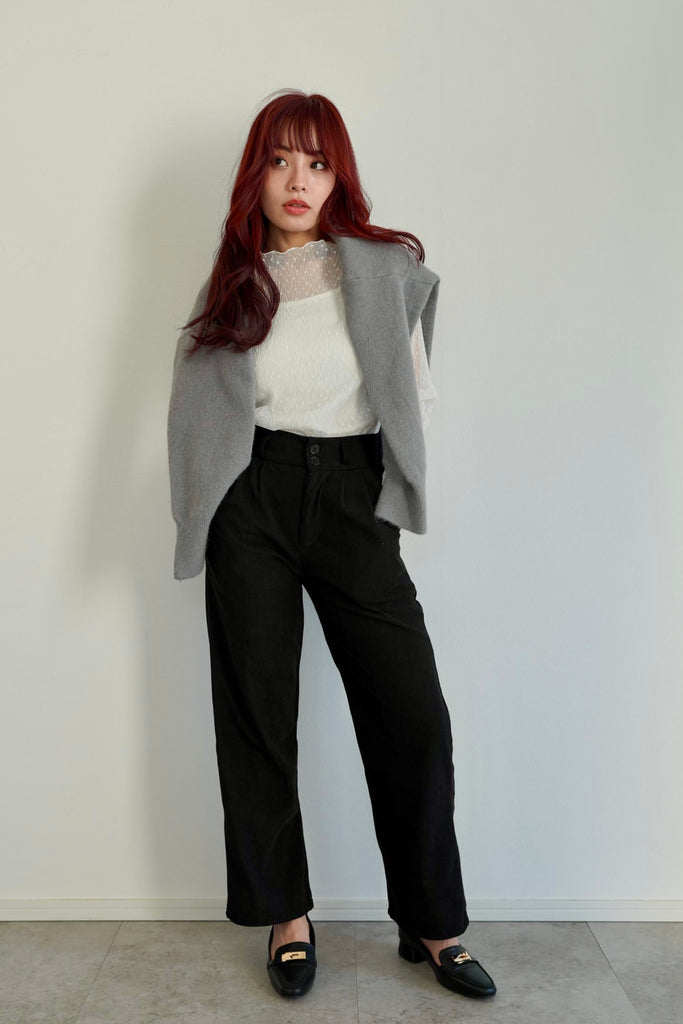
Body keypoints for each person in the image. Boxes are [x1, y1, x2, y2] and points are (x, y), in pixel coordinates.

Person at [166, 88, 497, 1001]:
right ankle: (286, 915)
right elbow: (195, 413)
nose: (297, 179)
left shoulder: (385, 270)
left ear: (338, 173)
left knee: (411, 715)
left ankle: (431, 920)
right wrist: (205, 513)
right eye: (279, 160)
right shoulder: (232, 286)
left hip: (354, 496)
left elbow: (410, 393)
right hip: (254, 500)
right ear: (256, 174)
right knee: (258, 713)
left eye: (316, 161)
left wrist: (390, 495)